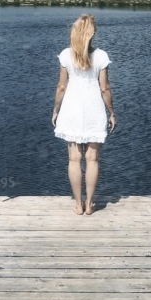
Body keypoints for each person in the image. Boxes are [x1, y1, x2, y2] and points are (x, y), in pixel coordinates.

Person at [51, 14, 116, 215]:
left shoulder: (66, 55)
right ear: (92, 33)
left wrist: (55, 110)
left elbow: (62, 86)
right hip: (94, 108)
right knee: (93, 158)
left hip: (71, 107)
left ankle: (78, 204)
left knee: (74, 158)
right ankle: (90, 205)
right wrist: (112, 112)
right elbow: (104, 88)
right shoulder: (101, 56)